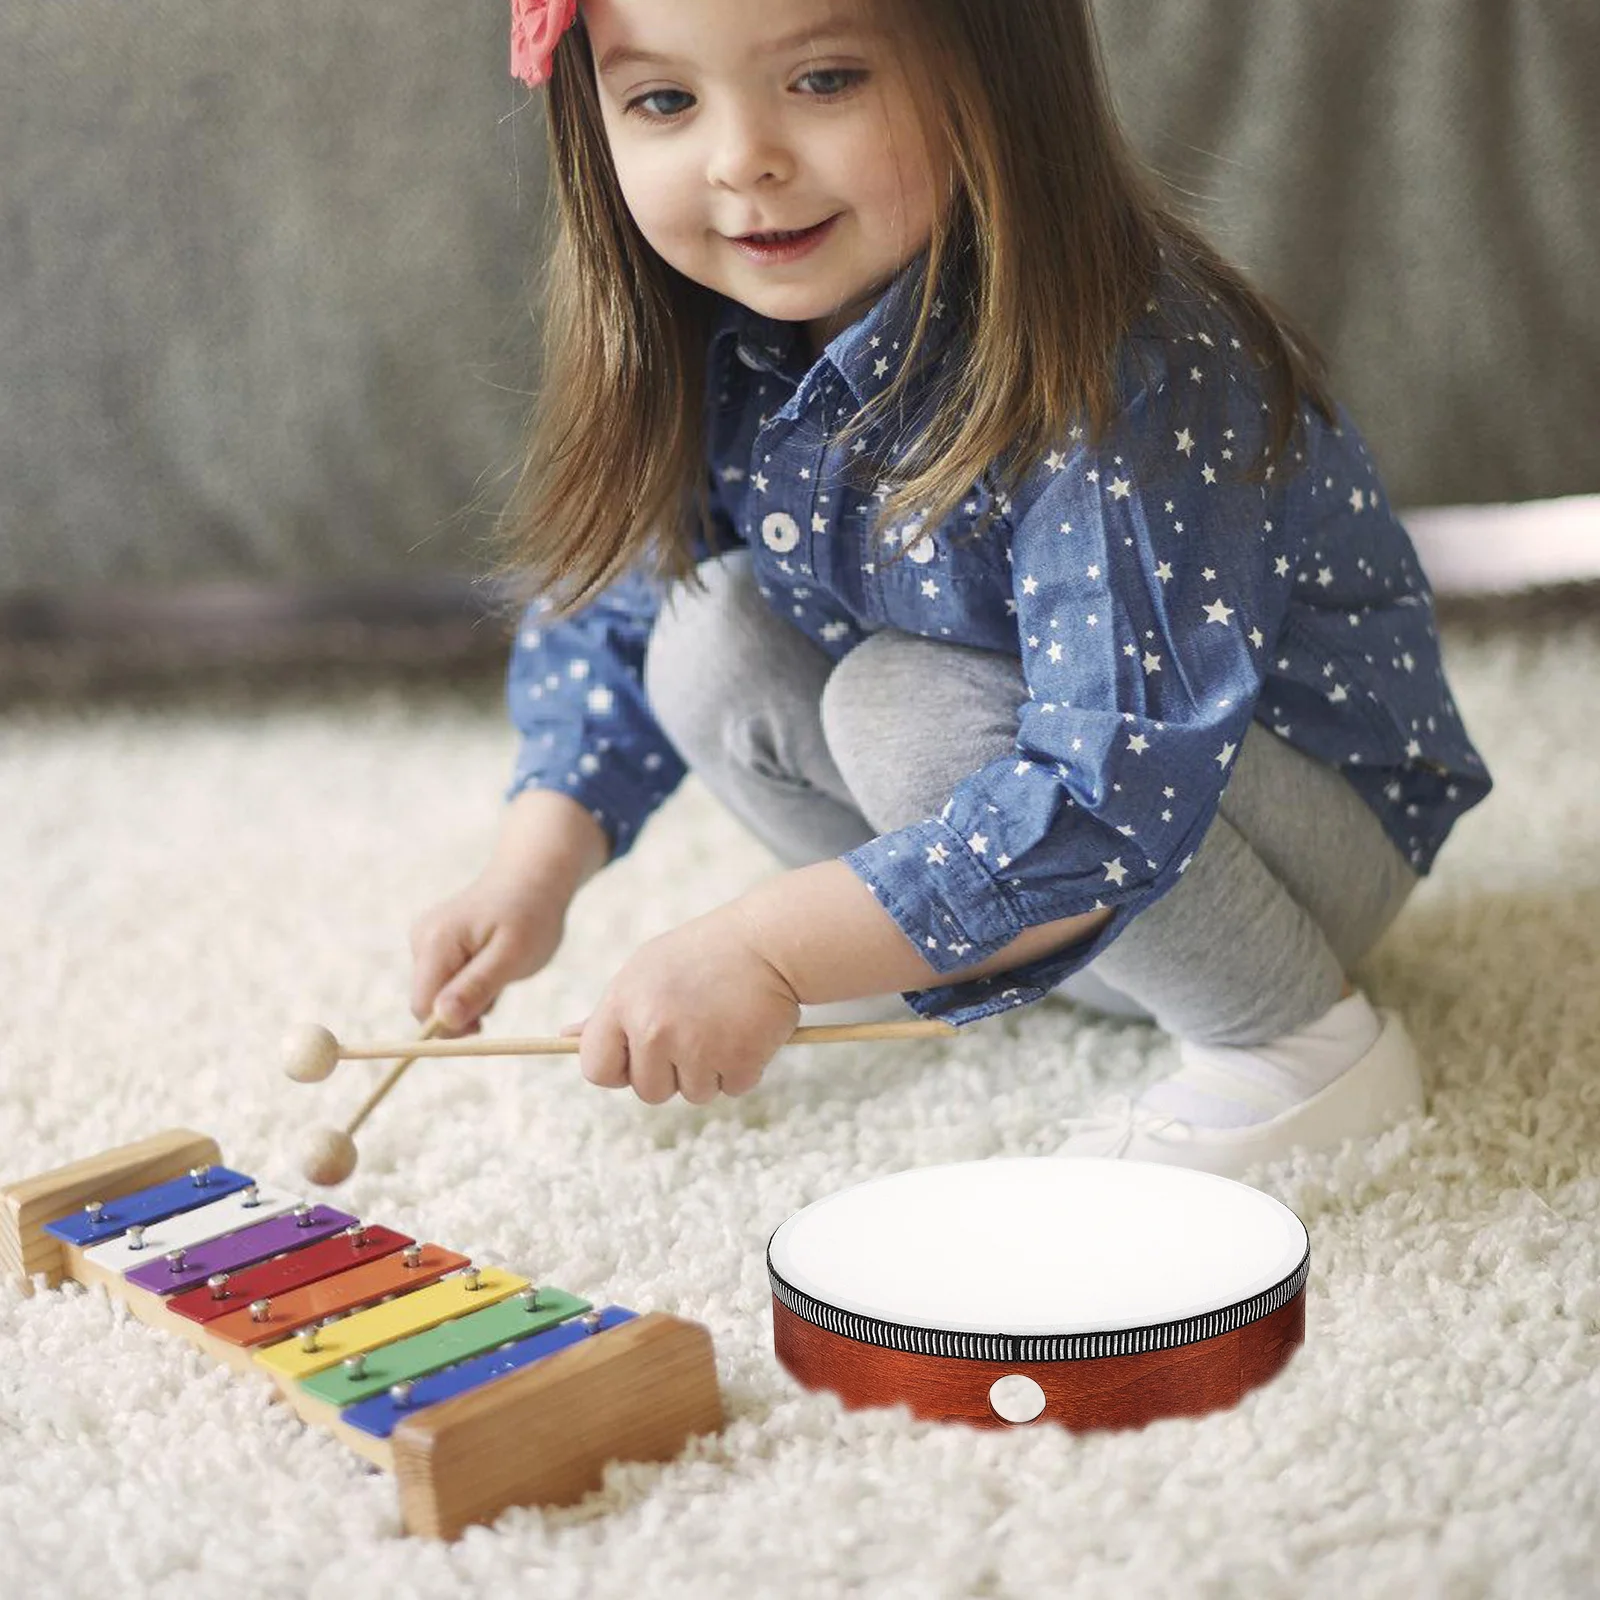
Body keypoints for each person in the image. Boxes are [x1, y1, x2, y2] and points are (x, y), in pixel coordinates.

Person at [408, 0, 1491, 1177]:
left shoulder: (1123, 355)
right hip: (1064, 849)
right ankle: (949, 943)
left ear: (993, 74)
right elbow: (617, 608)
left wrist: (768, 949)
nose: (741, 161)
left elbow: (1111, 781)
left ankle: (1296, 1038)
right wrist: (531, 872)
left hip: (1280, 837)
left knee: (899, 703)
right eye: (664, 101)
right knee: (701, 635)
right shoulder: (722, 325)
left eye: (824, 81)